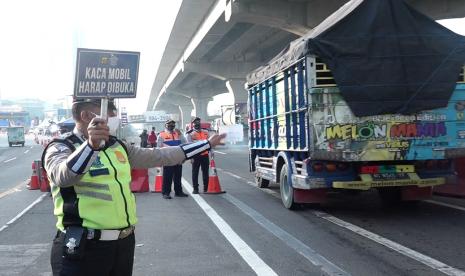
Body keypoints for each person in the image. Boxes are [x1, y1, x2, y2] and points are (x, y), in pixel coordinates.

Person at [42, 98, 226, 276]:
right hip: (83, 248)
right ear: (85, 116)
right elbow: (62, 177)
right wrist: (91, 146)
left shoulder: (117, 146)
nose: (113, 118)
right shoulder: (61, 147)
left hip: (122, 245)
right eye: (107, 113)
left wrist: (206, 144)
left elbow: (161, 156)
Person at [157, 120, 188, 199]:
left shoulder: (178, 133)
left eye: (173, 124)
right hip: (168, 159)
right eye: (169, 124)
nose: (171, 125)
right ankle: (166, 193)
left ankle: (178, 192)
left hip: (178, 159)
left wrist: (181, 134)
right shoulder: (161, 135)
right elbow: (159, 148)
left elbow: (185, 143)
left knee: (178, 177)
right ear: (165, 125)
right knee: (167, 177)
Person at [186, 117, 210, 194]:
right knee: (195, 173)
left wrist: (211, 152)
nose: (197, 123)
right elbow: (189, 147)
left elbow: (209, 143)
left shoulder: (206, 132)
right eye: (195, 122)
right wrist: (191, 157)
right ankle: (195, 189)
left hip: (205, 155)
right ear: (192, 124)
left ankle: (206, 188)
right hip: (195, 156)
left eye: (198, 122)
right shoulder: (190, 134)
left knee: (205, 173)